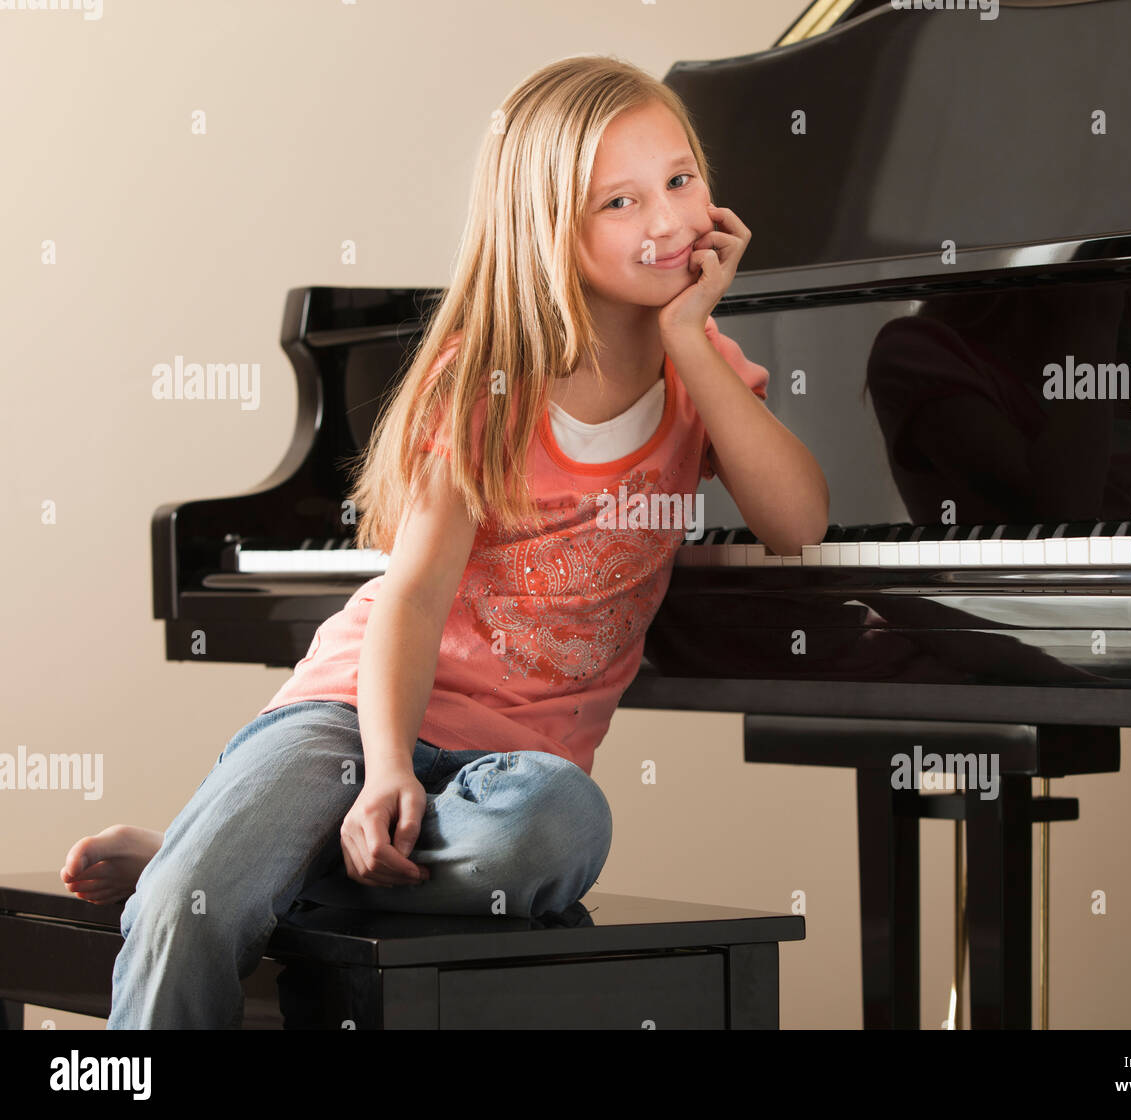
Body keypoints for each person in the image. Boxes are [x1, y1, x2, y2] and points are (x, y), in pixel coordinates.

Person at [61, 54, 829, 1029]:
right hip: (354, 718)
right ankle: (204, 866)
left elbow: (796, 521)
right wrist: (384, 767)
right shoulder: (488, 381)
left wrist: (689, 339)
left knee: (560, 832)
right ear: (547, 227)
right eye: (621, 202)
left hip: (505, 780)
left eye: (680, 179)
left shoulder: (697, 370)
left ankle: (220, 853)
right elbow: (413, 597)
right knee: (184, 914)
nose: (669, 221)